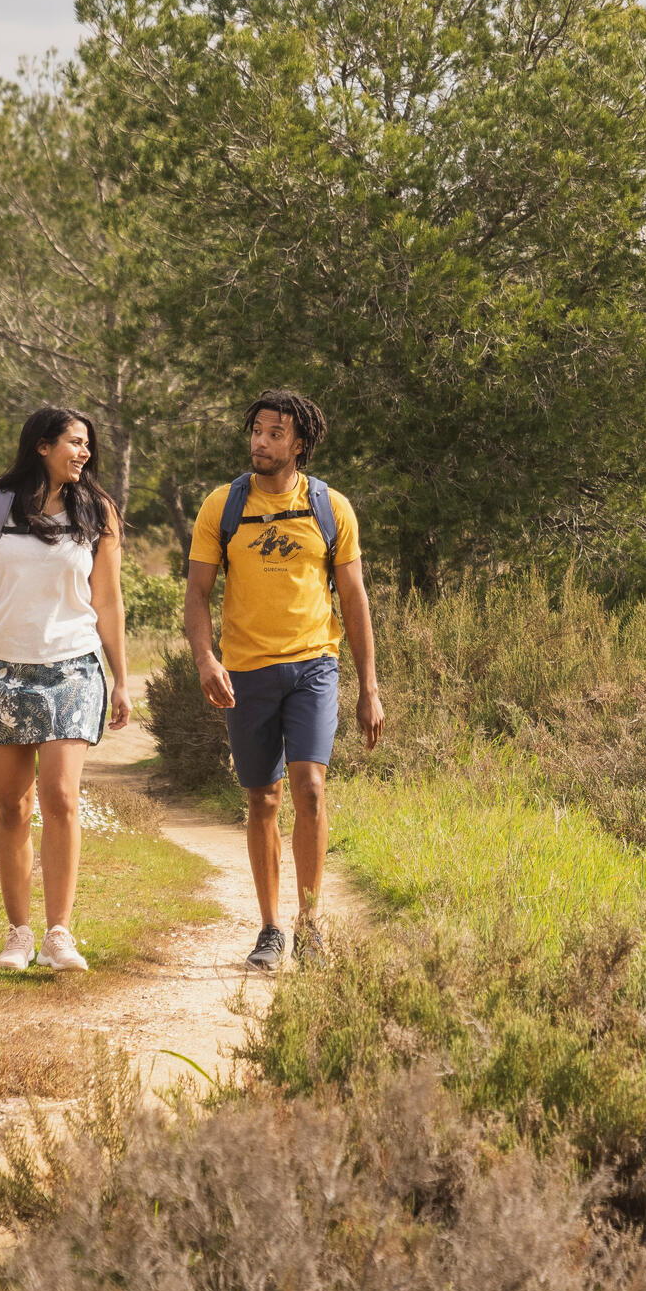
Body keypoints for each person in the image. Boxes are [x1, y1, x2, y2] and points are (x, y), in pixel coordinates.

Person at [183, 388, 383, 969]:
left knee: (311, 788)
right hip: (245, 671)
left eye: (275, 433)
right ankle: (270, 928)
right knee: (262, 797)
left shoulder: (330, 507)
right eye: (257, 431)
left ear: (300, 443)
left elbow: (353, 597)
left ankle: (311, 922)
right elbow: (197, 594)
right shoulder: (222, 506)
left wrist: (369, 687)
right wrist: (205, 659)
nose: (261, 442)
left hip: (315, 665)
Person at [0, 407, 133, 974]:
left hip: (71, 667)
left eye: (88, 445)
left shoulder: (98, 511)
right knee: (11, 806)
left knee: (60, 797)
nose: (85, 453)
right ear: (43, 445)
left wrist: (122, 676)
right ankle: (18, 934)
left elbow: (107, 601)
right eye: (76, 442)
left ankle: (59, 933)